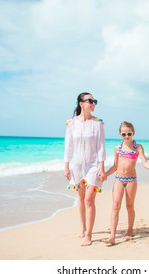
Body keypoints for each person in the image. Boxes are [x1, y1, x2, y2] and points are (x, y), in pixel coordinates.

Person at [102, 121, 149, 246]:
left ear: (133, 133)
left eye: (129, 133)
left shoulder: (138, 147)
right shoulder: (118, 148)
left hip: (131, 180)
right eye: (124, 134)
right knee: (115, 206)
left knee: (129, 206)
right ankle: (112, 235)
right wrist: (105, 174)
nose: (126, 136)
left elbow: (144, 162)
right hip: (119, 179)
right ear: (120, 134)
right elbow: (115, 166)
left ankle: (130, 230)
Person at [64, 92, 106, 246]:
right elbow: (68, 146)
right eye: (90, 101)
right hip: (76, 165)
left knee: (89, 199)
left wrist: (102, 167)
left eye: (95, 101)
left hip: (93, 165)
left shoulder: (98, 123)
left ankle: (89, 235)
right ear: (81, 104)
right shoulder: (71, 123)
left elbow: (101, 146)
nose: (93, 103)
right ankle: (82, 227)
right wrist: (66, 166)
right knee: (81, 198)